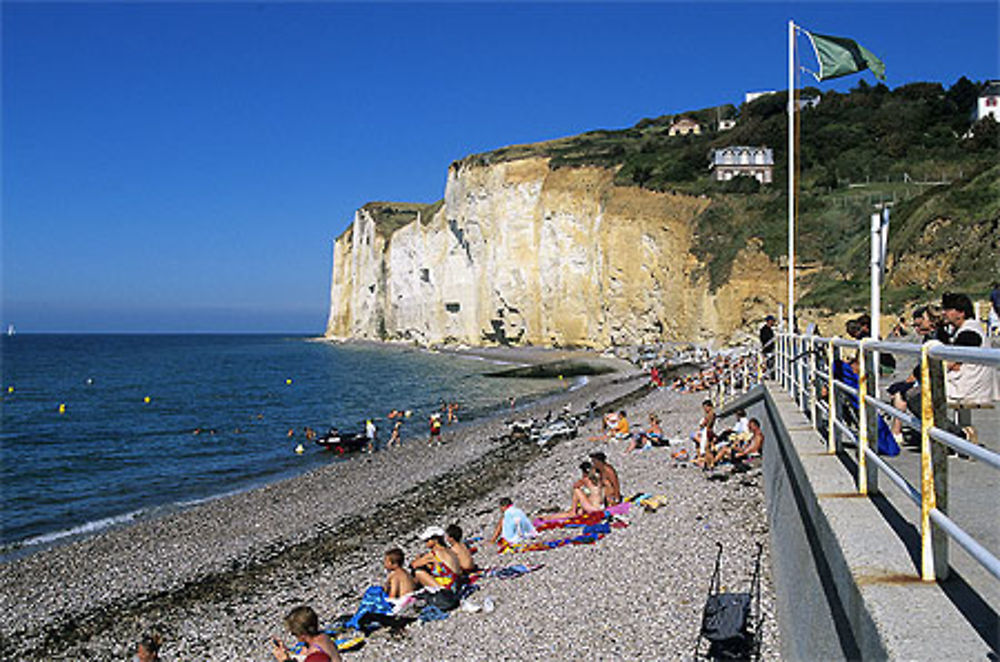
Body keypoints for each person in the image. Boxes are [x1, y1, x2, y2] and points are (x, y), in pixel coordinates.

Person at [271, 606, 341, 662]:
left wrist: (284, 661)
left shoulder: (317, 656)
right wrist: (287, 652)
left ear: (302, 635)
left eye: (294, 634)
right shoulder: (323, 637)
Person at [411, 526, 461, 591]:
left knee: (418, 572)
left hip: (447, 589)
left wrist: (418, 558)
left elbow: (414, 565)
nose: (426, 543)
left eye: (427, 540)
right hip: (455, 585)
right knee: (429, 566)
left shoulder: (434, 553)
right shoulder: (448, 550)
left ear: (435, 540)